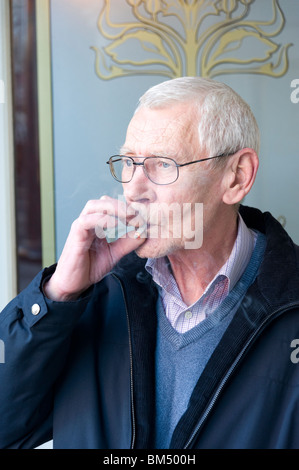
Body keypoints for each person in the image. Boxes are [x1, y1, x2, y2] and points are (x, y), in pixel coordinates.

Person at [1, 76, 299, 450]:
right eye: (129, 162)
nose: (133, 189)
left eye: (162, 164)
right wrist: (57, 295)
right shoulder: (95, 295)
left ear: (236, 177)